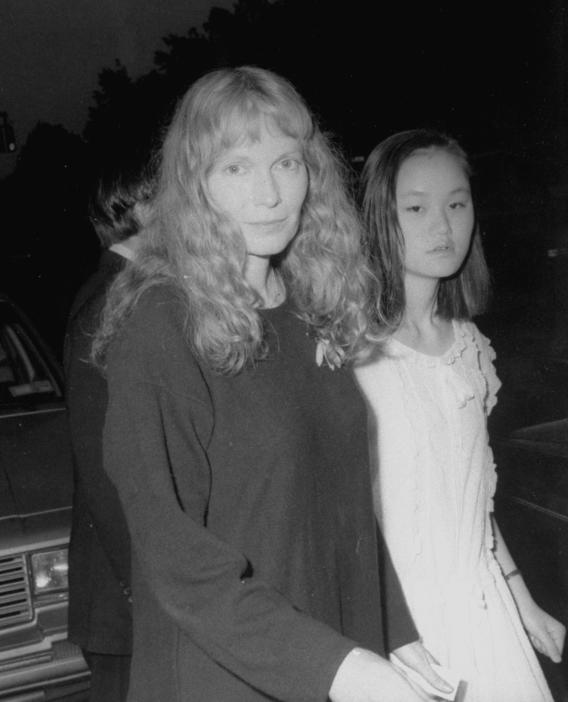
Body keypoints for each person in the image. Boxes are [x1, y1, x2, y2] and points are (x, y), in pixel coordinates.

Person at [91, 65, 448, 702]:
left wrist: (393, 633)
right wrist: (337, 669)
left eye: (286, 164)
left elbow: (339, 501)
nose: (270, 195)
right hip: (227, 673)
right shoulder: (161, 323)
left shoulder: (306, 306)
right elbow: (173, 556)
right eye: (236, 169)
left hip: (330, 649)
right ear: (194, 185)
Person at [356, 128, 566, 701]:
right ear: (379, 219)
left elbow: (473, 505)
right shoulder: (353, 353)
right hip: (397, 627)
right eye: (416, 208)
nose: (443, 226)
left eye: (456, 203)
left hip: (483, 615)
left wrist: (525, 608)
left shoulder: (468, 347)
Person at [65, 150, 155, 701]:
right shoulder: (112, 303)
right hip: (128, 600)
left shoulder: (118, 290)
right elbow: (105, 470)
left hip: (127, 594)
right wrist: (149, 591)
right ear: (141, 205)